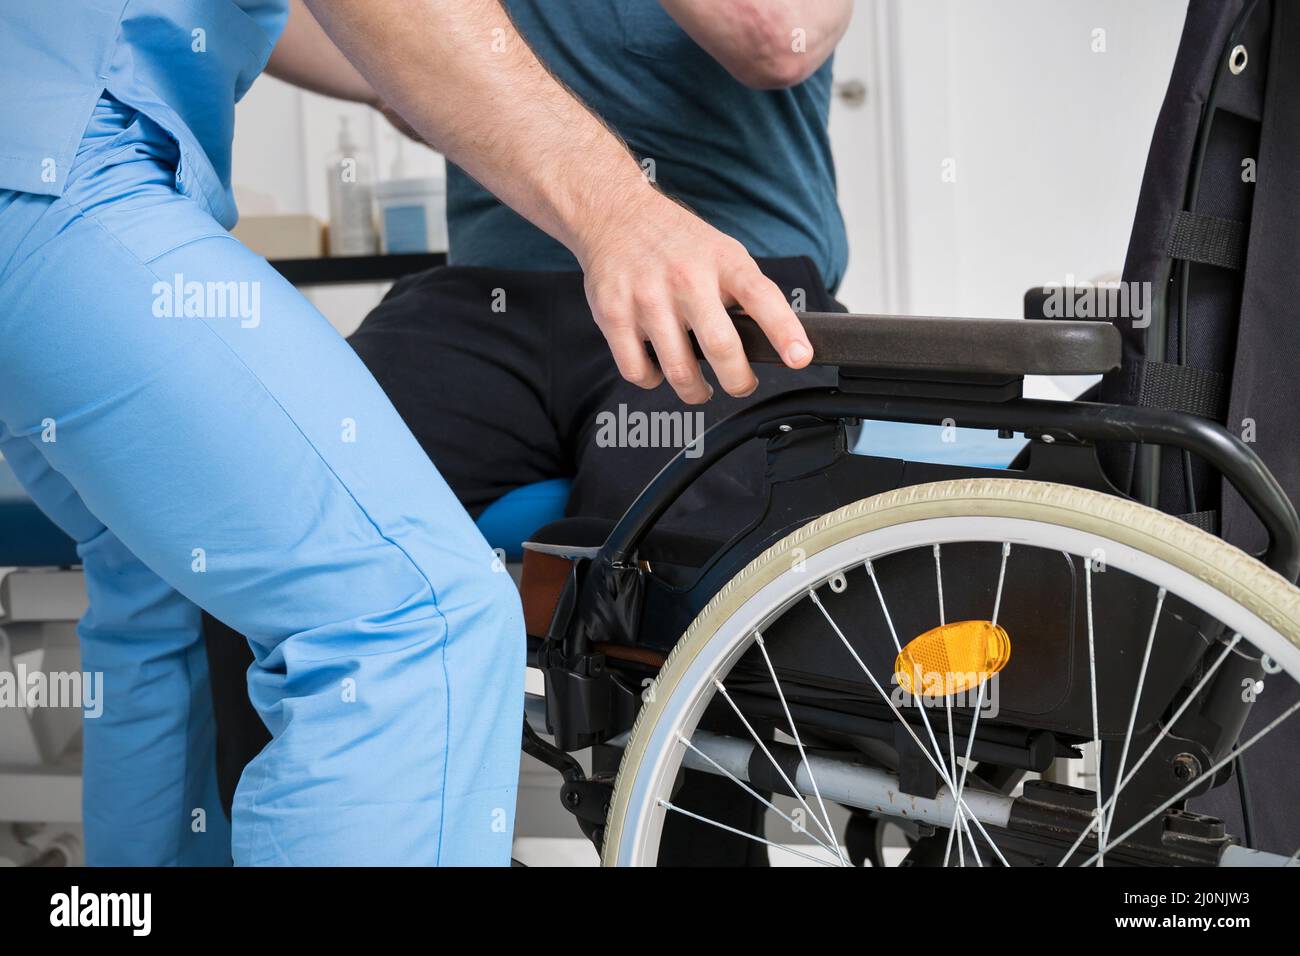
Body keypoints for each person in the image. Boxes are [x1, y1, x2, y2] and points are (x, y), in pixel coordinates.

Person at [0, 0, 815, 866]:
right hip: (70, 174)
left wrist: (605, 196)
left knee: (164, 578)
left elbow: (773, 33)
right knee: (413, 617)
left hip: (59, 164)